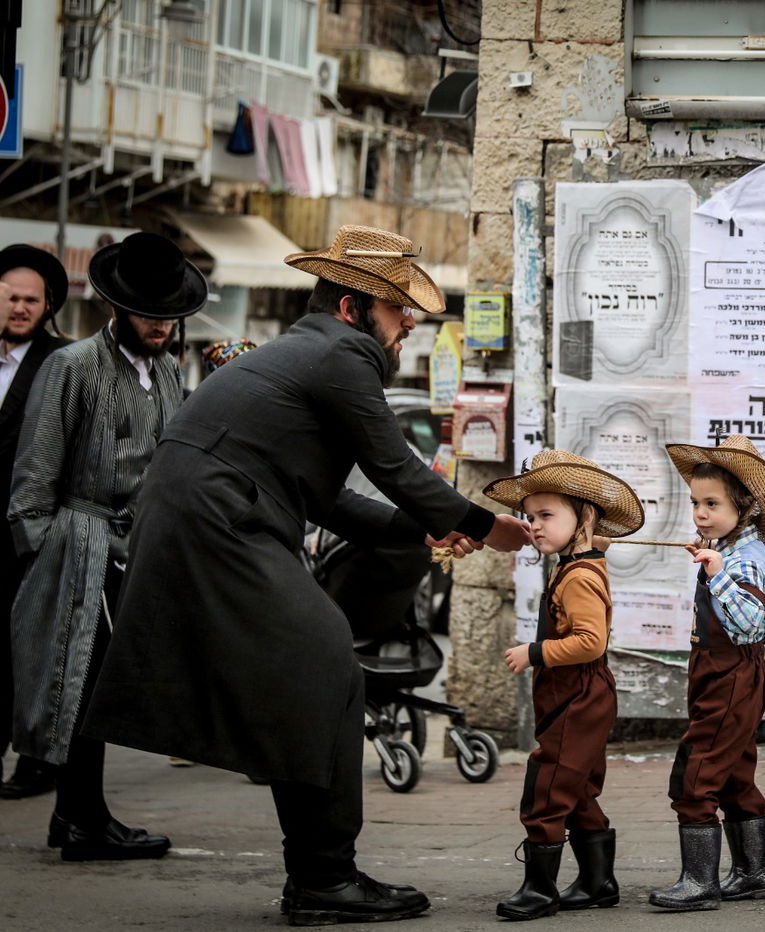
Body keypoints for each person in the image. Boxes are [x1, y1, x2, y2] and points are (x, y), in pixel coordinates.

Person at [83, 225, 531, 925]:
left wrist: (425, 529)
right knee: (324, 664)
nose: (408, 323)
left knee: (317, 673)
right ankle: (324, 879)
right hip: (216, 522)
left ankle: (320, 876)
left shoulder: (313, 354)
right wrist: (485, 526)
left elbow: (334, 500)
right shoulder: (340, 352)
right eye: (395, 311)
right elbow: (396, 467)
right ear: (353, 308)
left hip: (211, 518)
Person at [7, 232, 204, 859]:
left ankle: (78, 817)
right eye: (149, 313)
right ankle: (81, 820)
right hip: (78, 544)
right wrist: (41, 561)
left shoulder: (171, 371)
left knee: (104, 690)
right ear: (118, 307)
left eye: (170, 314)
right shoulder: (72, 366)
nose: (161, 325)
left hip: (137, 549)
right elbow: (33, 479)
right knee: (77, 684)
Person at [484, 451, 643, 920]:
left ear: (585, 517)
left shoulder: (578, 576)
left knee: (548, 786)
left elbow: (591, 642)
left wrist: (535, 652)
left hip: (579, 694)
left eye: (547, 515)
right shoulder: (581, 562)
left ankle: (539, 890)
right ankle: (597, 882)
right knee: (576, 791)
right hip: (575, 695)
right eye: (530, 516)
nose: (534, 525)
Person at [649, 435, 765, 912]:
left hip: (733, 674)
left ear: (745, 506)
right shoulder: (723, 549)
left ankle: (700, 882)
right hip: (714, 672)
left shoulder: (747, 559)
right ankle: (753, 873)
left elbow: (752, 625)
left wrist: (718, 573)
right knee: (734, 775)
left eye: (713, 503)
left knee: (697, 774)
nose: (701, 513)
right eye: (696, 502)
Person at [0, 244, 71, 800]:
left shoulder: (62, 362)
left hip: (30, 535)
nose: (19, 308)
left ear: (48, 306)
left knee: (30, 651)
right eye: (9, 298)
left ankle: (35, 762)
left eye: (30, 300)